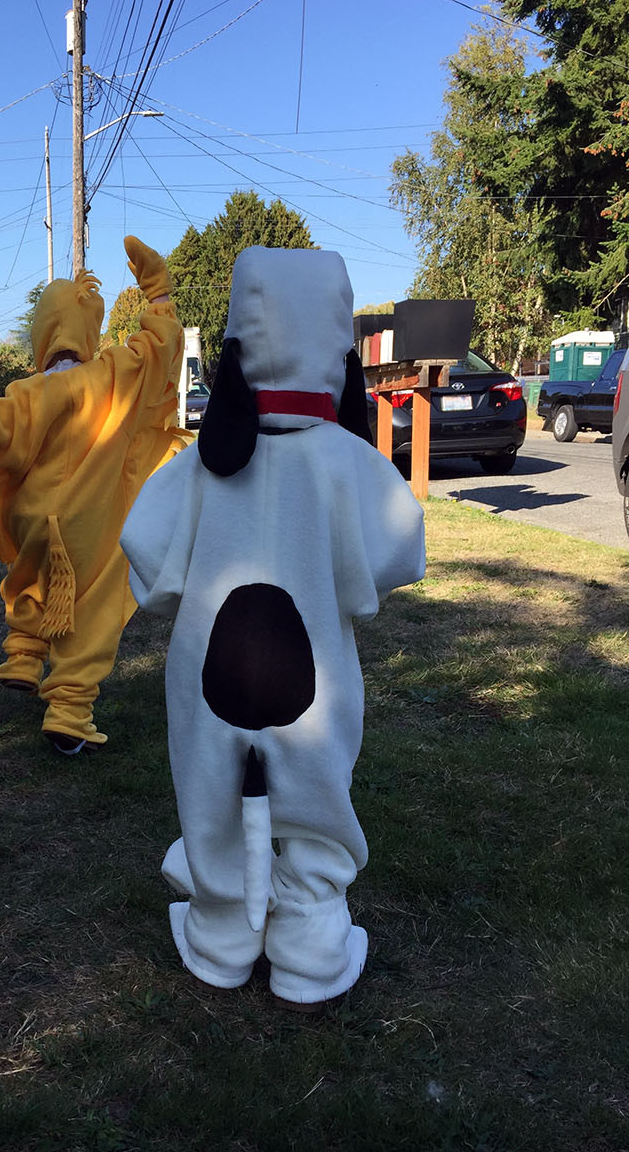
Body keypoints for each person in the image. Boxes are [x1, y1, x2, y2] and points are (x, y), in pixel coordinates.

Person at [120, 247, 426, 1008]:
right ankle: (310, 944)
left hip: (208, 674)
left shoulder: (202, 464)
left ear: (237, 347)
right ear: (338, 353)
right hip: (315, 677)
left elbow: (146, 554)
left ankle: (223, 935)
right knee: (317, 796)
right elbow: (400, 551)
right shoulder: (348, 464)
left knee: (212, 788)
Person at [0, 236, 185, 755]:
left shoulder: (28, 393)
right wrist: (156, 293)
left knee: (30, 576)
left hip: (32, 519)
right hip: (87, 526)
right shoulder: (113, 375)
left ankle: (22, 654)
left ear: (43, 334)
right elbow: (158, 349)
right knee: (88, 608)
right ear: (89, 332)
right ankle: (69, 712)